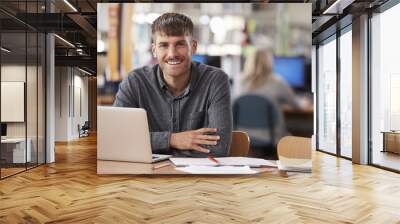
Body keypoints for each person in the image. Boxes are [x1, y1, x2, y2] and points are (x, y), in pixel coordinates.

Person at [113, 13, 232, 157]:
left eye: (180, 44)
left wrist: (149, 143)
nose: (172, 54)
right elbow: (117, 139)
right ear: (154, 50)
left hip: (197, 177)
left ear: (193, 47)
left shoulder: (215, 80)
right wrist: (172, 140)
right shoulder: (135, 82)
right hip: (147, 175)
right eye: (163, 45)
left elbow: (219, 147)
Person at [233, 48, 300, 109]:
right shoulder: (278, 82)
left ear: (248, 62)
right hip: (271, 122)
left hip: (242, 122)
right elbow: (296, 105)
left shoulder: (239, 80)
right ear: (269, 63)